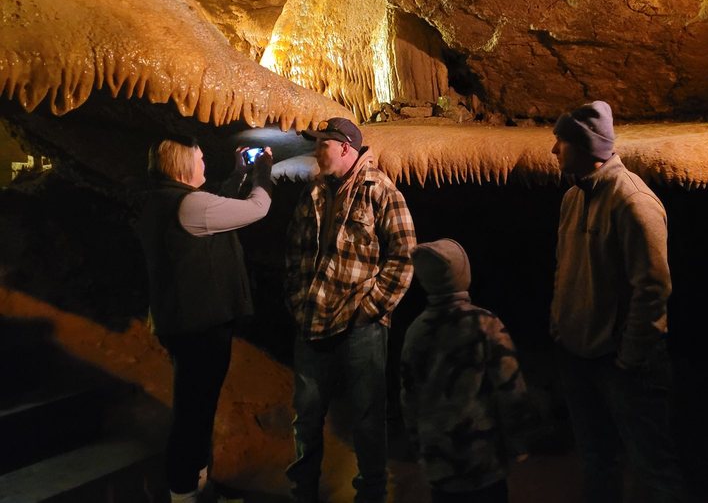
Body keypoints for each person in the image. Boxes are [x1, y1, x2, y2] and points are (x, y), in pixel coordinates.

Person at [549, 100, 687, 503]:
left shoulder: (634, 202)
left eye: (560, 141)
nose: (553, 150)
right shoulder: (572, 198)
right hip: (576, 356)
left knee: (653, 466)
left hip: (622, 366)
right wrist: (560, 327)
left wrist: (629, 358)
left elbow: (652, 290)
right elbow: (564, 269)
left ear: (586, 146)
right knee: (596, 460)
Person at [135, 135, 273, 503]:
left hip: (182, 322)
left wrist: (237, 174)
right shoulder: (189, 206)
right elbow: (256, 209)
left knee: (197, 408)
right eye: (199, 159)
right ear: (182, 165)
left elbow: (214, 206)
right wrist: (263, 174)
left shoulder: (161, 199)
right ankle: (184, 491)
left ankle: (198, 483)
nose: (203, 166)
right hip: (200, 326)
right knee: (193, 412)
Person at [285, 117, 416, 503]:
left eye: (322, 144)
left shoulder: (381, 191)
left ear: (345, 148)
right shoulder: (313, 192)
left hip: (361, 327)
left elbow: (404, 255)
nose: (315, 150)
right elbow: (294, 249)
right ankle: (302, 491)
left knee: (367, 417)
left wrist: (371, 308)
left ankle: (371, 494)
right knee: (306, 416)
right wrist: (296, 298)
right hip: (311, 319)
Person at [400, 239, 534, 503]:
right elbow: (510, 387)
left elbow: (408, 396)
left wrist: (420, 445)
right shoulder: (484, 323)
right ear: (463, 273)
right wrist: (518, 441)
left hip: (440, 464)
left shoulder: (416, 332)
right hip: (484, 459)